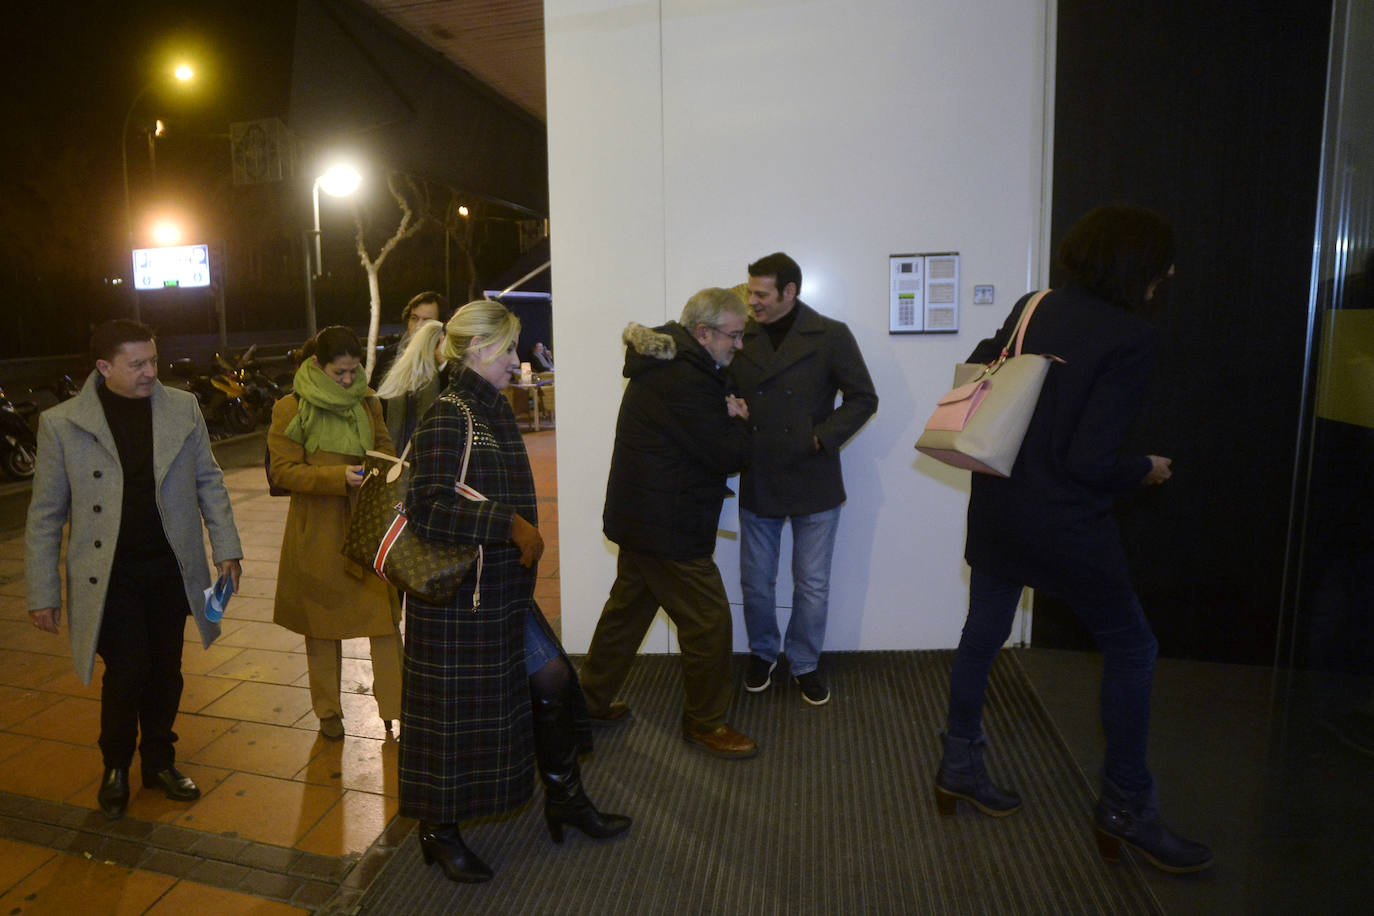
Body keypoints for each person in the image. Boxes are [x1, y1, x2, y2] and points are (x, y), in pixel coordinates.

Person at [935, 204, 1212, 874]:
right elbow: (1089, 462)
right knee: (1132, 646)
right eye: (1162, 261)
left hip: (999, 505)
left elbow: (979, 367)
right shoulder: (1133, 337)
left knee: (984, 630)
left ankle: (958, 764)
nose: (1169, 272)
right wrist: (1144, 469)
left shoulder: (1037, 304)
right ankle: (1125, 807)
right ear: (1137, 263)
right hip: (1067, 524)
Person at [399, 299, 630, 883]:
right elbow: (426, 506)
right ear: (478, 350)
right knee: (450, 719)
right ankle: (439, 831)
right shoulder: (451, 413)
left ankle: (565, 800)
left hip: (495, 591)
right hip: (458, 600)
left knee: (552, 676)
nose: (516, 361)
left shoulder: (484, 409)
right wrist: (508, 526)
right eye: (507, 350)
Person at [25, 319, 243, 820]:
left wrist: (226, 546)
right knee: (128, 671)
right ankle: (116, 765)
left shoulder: (181, 408)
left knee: (167, 669)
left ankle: (160, 762)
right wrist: (42, 591)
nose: (150, 372)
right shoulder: (62, 423)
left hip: (169, 567)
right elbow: (44, 515)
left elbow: (209, 480)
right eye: (137, 364)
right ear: (104, 368)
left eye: (154, 360)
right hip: (109, 576)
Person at [579, 288, 757, 759]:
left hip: (645, 516)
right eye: (734, 336)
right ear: (703, 333)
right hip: (667, 526)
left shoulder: (675, 366)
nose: (738, 345)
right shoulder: (686, 379)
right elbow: (726, 453)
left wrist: (722, 410)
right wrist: (737, 419)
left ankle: (587, 702)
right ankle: (705, 723)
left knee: (627, 613)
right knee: (710, 623)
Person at [730, 252, 878, 705]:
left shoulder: (830, 335)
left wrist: (819, 438)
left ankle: (805, 662)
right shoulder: (740, 334)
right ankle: (762, 653)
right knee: (756, 580)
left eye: (761, 293)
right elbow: (719, 385)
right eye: (749, 290)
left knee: (811, 583)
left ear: (789, 292)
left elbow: (862, 398)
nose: (751, 300)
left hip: (814, 477)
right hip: (761, 472)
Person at [268, 326, 404, 741]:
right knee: (322, 628)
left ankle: (395, 710)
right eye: (339, 372)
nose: (348, 379)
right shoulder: (291, 408)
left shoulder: (368, 403)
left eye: (354, 370)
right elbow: (282, 471)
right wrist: (336, 477)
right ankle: (328, 713)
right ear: (317, 365)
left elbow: (386, 450)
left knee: (384, 624)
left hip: (366, 525)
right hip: (319, 530)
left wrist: (389, 468)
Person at [377, 317, 449, 453]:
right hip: (413, 463)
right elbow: (428, 432)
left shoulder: (401, 379)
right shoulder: (429, 383)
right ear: (436, 344)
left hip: (393, 458)